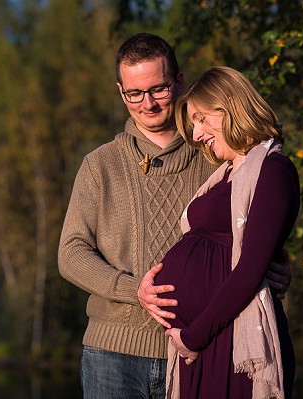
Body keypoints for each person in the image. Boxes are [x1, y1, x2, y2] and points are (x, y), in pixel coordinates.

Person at [57, 33, 291, 399]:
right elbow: (70, 253)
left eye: (158, 89)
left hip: (204, 348)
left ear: (178, 82)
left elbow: (254, 229)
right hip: (114, 355)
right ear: (121, 92)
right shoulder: (99, 165)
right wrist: (133, 289)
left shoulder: (217, 154)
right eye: (134, 93)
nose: (147, 103)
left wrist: (273, 265)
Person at [151, 66, 297, 398]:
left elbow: (249, 269)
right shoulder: (225, 175)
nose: (198, 133)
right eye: (193, 125)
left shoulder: (273, 171)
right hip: (207, 341)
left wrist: (193, 337)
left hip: (231, 345)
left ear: (229, 104)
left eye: (202, 119)